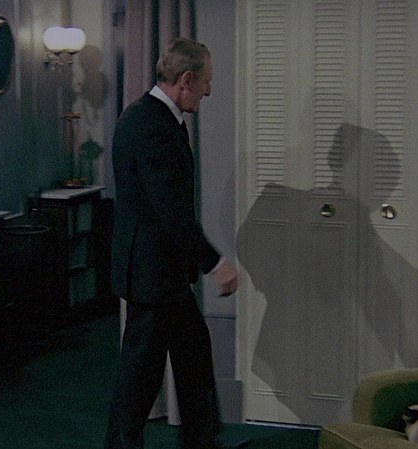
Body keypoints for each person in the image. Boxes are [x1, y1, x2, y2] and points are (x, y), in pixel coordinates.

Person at [104, 37, 241, 449]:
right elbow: (171, 212)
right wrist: (215, 263)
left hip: (163, 273)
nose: (209, 91)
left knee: (193, 351)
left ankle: (201, 440)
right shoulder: (151, 126)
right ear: (186, 80)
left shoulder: (154, 118)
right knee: (138, 380)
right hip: (152, 274)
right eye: (206, 82)